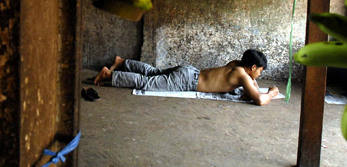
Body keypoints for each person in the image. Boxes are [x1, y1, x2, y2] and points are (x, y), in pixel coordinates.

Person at [94, 49, 280, 106]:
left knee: (154, 72)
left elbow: (250, 85)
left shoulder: (236, 65)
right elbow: (259, 99)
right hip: (187, 81)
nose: (260, 75)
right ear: (253, 67)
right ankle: (109, 74)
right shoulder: (243, 75)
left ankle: (122, 61)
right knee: (148, 83)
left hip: (189, 71)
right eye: (260, 71)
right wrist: (271, 93)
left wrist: (254, 81)